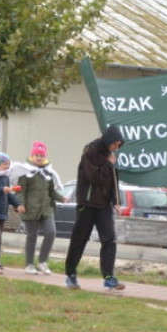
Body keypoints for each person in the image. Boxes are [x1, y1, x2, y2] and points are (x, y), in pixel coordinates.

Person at [64, 124, 125, 291]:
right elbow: (94, 178)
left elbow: (113, 180)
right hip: (87, 204)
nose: (117, 148)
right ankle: (70, 274)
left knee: (109, 238)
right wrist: (108, 164)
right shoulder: (90, 152)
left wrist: (116, 201)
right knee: (79, 239)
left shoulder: (110, 155)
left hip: (104, 206)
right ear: (109, 140)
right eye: (115, 144)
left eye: (119, 145)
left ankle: (108, 277)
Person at [16, 141, 63, 275]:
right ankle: (29, 264)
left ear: (44, 157)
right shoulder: (26, 171)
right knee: (32, 236)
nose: (38, 158)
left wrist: (62, 198)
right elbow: (20, 190)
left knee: (51, 232)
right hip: (30, 208)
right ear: (32, 156)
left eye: (41, 155)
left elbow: (51, 191)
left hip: (46, 209)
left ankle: (42, 262)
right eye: (36, 155)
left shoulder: (48, 172)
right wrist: (20, 204)